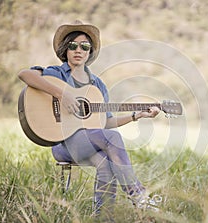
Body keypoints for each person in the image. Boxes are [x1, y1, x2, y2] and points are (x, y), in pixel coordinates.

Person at [18, 20, 161, 220]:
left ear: (90, 51)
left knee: (106, 163)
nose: (79, 50)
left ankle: (104, 217)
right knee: (111, 139)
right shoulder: (55, 73)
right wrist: (62, 94)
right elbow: (24, 74)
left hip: (89, 142)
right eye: (73, 45)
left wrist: (137, 115)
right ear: (65, 49)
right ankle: (138, 195)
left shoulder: (97, 86)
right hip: (63, 144)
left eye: (84, 46)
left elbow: (105, 123)